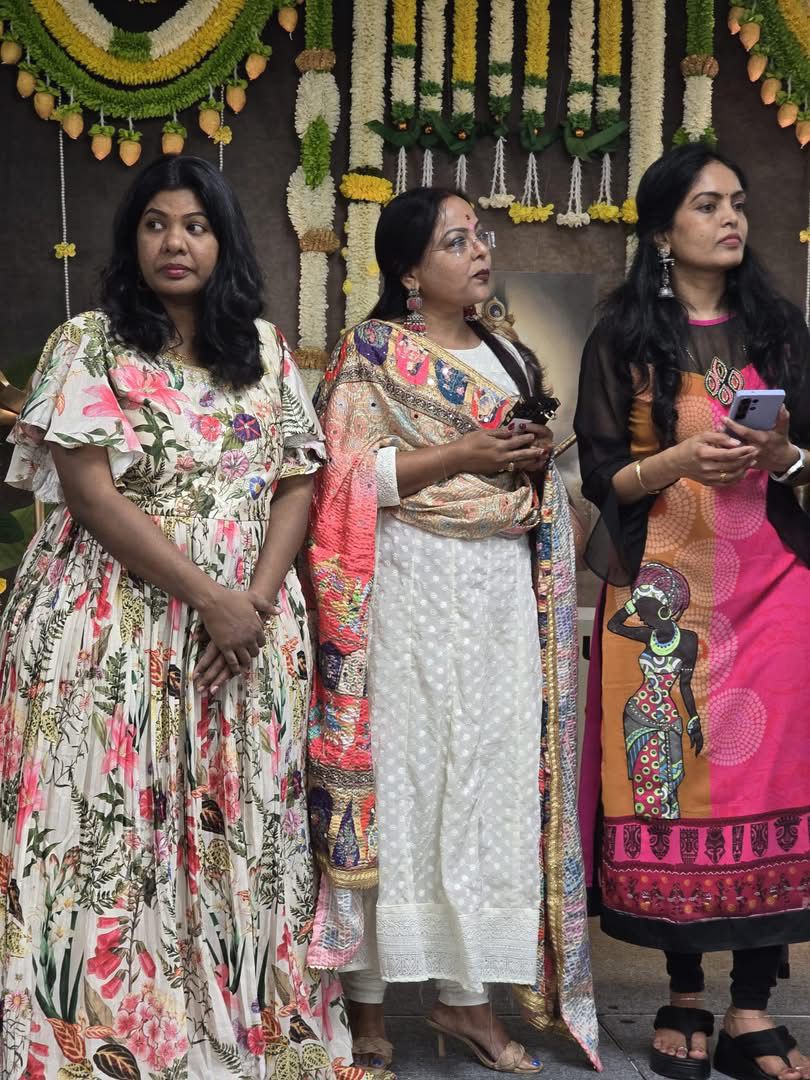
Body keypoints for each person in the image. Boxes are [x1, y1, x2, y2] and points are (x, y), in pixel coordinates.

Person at [0, 156, 360, 1078]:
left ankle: (246, 1025)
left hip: (247, 629)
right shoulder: (89, 343)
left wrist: (253, 604)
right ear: (132, 240)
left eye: (195, 225)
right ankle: (103, 1040)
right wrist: (211, 600)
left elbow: (297, 481)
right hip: (111, 622)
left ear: (223, 240)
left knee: (245, 821)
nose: (174, 242)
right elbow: (90, 494)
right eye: (155, 223)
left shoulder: (266, 349)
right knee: (107, 829)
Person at [305, 187, 600, 1077]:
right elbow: (341, 477)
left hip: (500, 590)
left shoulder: (508, 352)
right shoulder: (370, 355)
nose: (480, 251)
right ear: (409, 268)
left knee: (486, 782)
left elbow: (527, 472)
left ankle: (467, 999)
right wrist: (462, 456)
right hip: (406, 584)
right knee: (400, 781)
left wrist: (528, 469)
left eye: (481, 235)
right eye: (456, 240)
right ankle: (365, 1004)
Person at [575, 144, 810, 1080]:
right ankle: (682, 991)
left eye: (738, 202)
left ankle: (751, 1005)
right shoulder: (623, 338)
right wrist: (677, 462)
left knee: (769, 782)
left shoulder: (782, 330)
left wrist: (782, 456)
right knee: (665, 775)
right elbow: (600, 476)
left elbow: (807, 459)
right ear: (663, 230)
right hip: (662, 598)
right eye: (709, 204)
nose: (731, 218)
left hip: (774, 587)